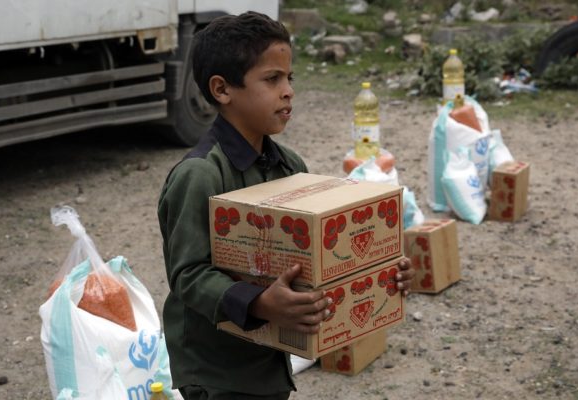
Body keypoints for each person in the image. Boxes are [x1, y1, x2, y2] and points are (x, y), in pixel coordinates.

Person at [156, 11, 414, 400]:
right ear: (223, 89)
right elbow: (188, 276)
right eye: (272, 79)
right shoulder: (200, 176)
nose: (288, 90)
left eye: (289, 78)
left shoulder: (290, 167)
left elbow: (314, 261)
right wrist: (258, 302)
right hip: (216, 370)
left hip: (269, 358)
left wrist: (377, 273)